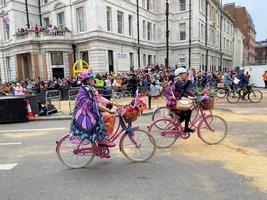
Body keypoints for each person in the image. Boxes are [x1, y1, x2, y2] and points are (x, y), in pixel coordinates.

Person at [70, 69, 119, 147]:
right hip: (86, 115)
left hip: (89, 112)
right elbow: (97, 104)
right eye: (92, 78)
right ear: (88, 80)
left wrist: (113, 103)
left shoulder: (91, 88)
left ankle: (99, 142)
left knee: (107, 116)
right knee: (109, 116)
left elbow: (100, 98)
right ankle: (102, 139)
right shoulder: (88, 89)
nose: (94, 80)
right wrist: (109, 110)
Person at [165, 68, 195, 133]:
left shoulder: (178, 81)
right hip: (173, 103)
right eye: (184, 74)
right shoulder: (178, 82)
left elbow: (181, 91)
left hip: (175, 102)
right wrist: (189, 80)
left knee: (188, 111)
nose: (186, 75)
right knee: (185, 115)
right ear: (180, 74)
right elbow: (183, 87)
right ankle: (177, 129)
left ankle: (184, 128)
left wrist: (189, 96)